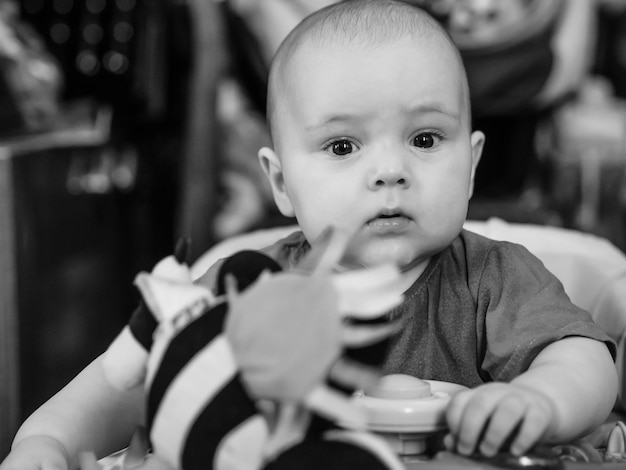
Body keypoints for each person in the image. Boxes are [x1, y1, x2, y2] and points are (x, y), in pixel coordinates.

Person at [0, 1, 617, 469]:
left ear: (473, 162)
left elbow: (584, 361)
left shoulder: (496, 278)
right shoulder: (245, 290)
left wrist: (539, 400)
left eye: (425, 139)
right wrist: (49, 440)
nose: (390, 170)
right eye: (343, 145)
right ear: (282, 182)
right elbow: (126, 383)